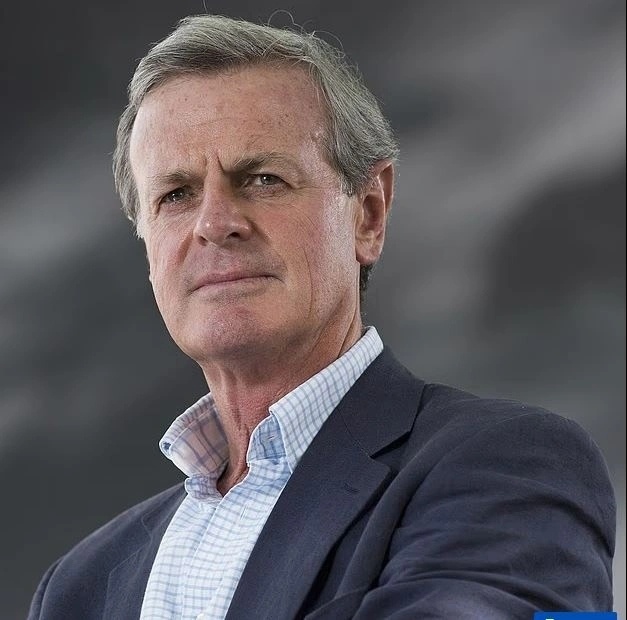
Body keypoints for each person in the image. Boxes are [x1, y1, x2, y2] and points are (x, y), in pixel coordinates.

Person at [29, 14, 615, 620]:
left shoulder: (508, 466)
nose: (214, 223)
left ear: (368, 214)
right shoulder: (78, 586)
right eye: (176, 195)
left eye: (262, 179)